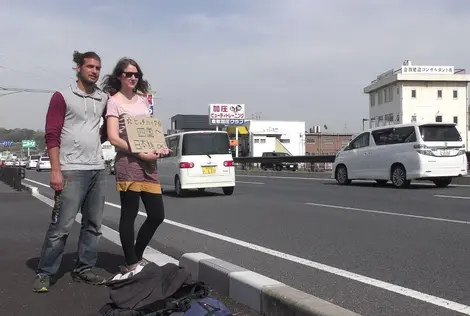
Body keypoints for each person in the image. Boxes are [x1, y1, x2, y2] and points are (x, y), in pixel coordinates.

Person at [33, 51, 109, 292]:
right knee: (61, 226)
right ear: (78, 68)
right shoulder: (62, 96)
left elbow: (109, 128)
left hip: (97, 168)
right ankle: (45, 272)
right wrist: (56, 170)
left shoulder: (103, 98)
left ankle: (84, 268)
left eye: (97, 67)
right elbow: (52, 134)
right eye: (90, 66)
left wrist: (96, 141)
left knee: (93, 224)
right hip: (70, 170)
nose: (94, 71)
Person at [103, 57, 169, 273]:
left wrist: (160, 147)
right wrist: (139, 151)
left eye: (136, 74)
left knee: (157, 215)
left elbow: (150, 130)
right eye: (128, 74)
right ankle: (131, 262)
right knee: (129, 214)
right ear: (119, 77)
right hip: (129, 161)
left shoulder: (142, 101)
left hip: (149, 164)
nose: (132, 77)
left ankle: (136, 255)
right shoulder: (114, 101)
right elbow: (113, 137)